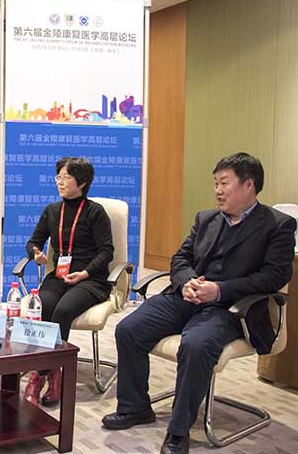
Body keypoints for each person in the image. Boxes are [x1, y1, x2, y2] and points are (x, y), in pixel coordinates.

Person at [102, 153, 296, 454]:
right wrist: (188, 282)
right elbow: (181, 258)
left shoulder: (277, 225)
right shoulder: (206, 219)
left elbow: (274, 276)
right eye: (215, 184)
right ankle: (135, 407)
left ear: (248, 185)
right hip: (188, 296)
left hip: (233, 307)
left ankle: (179, 432)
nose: (218, 190)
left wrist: (219, 290)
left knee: (195, 345)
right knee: (129, 328)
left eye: (224, 183)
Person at [23, 157, 113, 407]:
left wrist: (85, 273)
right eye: (58, 177)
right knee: (44, 304)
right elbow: (33, 242)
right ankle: (54, 372)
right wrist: (36, 254)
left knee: (62, 311)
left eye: (66, 178)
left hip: (91, 280)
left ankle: (38, 376)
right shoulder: (52, 211)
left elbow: (107, 251)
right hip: (60, 276)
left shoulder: (95, 212)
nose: (60, 182)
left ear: (82, 182)